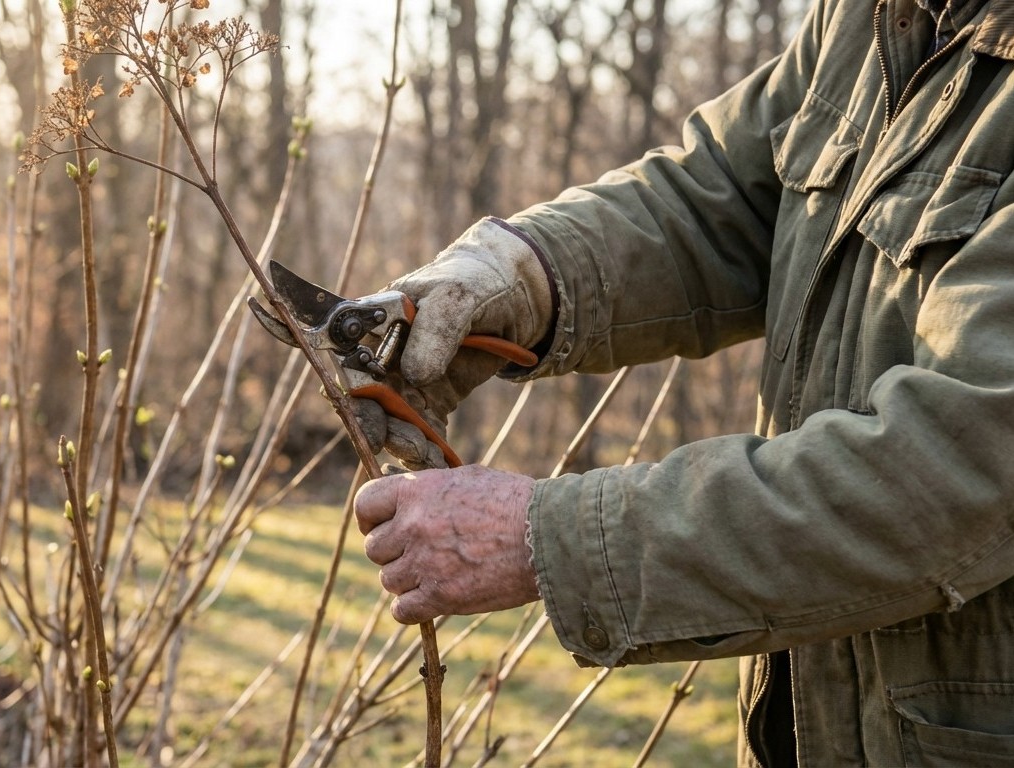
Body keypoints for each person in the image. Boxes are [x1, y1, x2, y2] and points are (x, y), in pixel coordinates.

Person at [350, 0, 1014, 764]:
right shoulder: (876, 19)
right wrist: (520, 275)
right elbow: (721, 193)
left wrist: (550, 540)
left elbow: (955, 466)